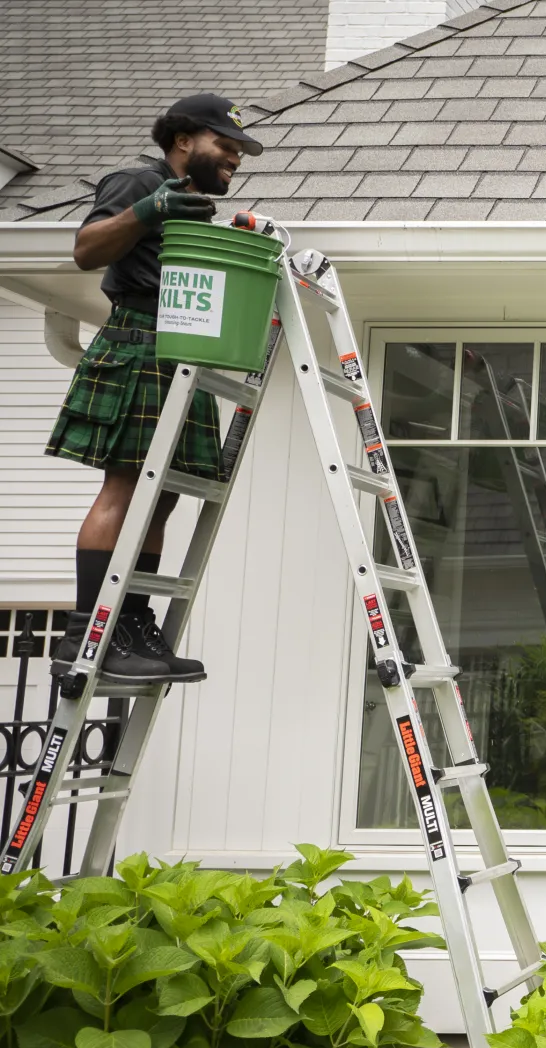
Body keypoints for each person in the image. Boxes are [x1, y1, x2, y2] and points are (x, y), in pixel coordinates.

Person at [45, 94, 261, 683]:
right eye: (227, 146)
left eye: (241, 152)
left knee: (162, 495)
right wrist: (149, 208)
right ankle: (85, 635)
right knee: (123, 487)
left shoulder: (191, 204)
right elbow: (87, 250)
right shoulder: (139, 180)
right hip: (138, 341)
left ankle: (131, 625)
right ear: (185, 139)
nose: (236, 160)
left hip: (177, 350)